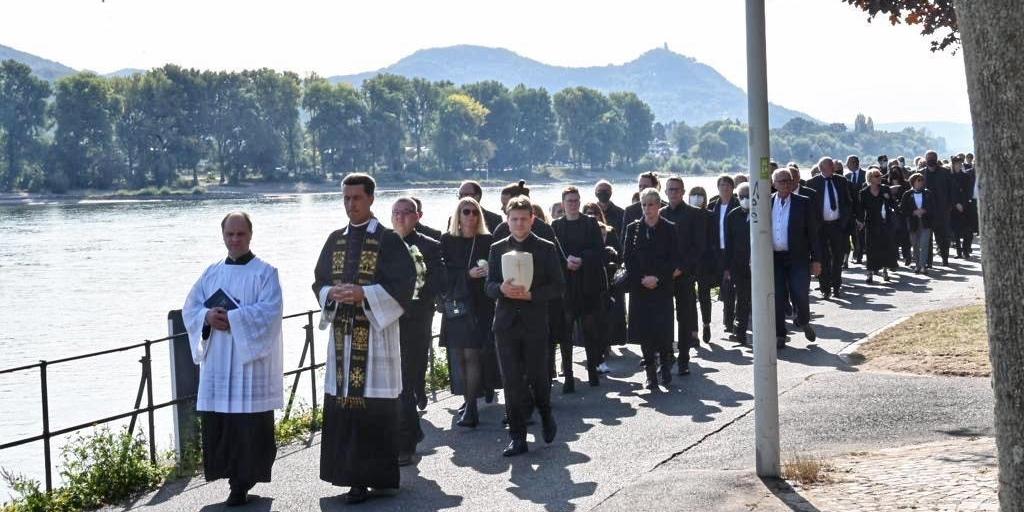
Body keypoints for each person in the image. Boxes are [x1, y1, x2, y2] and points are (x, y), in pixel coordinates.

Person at [312, 173, 416, 504]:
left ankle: (378, 477)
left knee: (374, 410)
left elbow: (404, 285)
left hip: (375, 338)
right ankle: (350, 476)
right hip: (343, 338)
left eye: (356, 198)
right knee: (345, 407)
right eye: (345, 198)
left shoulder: (388, 240)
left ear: (371, 199)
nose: (350, 204)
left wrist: (363, 294)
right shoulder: (334, 240)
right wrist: (333, 293)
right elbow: (319, 282)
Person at [182, 212, 284, 507]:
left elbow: (271, 313)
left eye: (240, 234)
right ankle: (231, 478)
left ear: (250, 235)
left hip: (248, 364)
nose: (235, 240)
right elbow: (190, 308)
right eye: (230, 234)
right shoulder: (211, 272)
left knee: (249, 426)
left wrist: (234, 318)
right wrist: (207, 316)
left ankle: (243, 482)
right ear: (222, 235)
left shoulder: (266, 272)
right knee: (223, 425)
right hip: (218, 362)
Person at [486, 195, 565, 457]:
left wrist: (533, 295)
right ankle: (517, 437)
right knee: (511, 382)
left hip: (534, 322)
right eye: (514, 219)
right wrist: (501, 289)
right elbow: (489, 285)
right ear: (507, 220)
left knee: (537, 377)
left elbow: (558, 286)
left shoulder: (546, 247)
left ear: (532, 219)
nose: (519, 224)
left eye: (523, 219)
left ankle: (545, 412)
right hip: (506, 324)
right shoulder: (497, 248)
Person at [390, 197, 444, 465]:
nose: (399, 217)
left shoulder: (429, 246)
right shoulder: (383, 245)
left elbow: (439, 281)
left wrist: (418, 295)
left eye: (405, 213)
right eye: (395, 212)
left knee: (408, 379)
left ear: (417, 216)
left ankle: (406, 442)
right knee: (395, 383)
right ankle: (407, 436)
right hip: (386, 322)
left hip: (416, 320)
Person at [439, 197, 498, 428]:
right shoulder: (446, 240)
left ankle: (472, 407)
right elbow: (442, 273)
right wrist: (467, 274)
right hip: (456, 304)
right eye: (466, 211)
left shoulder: (488, 240)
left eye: (475, 212)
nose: (471, 216)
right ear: (458, 215)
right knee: (460, 357)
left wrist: (486, 270)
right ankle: (467, 400)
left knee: (473, 354)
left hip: (480, 304)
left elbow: (497, 268)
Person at [552, 187, 609, 387]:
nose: (573, 204)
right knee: (565, 333)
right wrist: (566, 262)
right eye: (569, 200)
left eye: (576, 200)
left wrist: (582, 259)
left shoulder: (590, 223)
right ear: (563, 203)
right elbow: (553, 255)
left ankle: (593, 371)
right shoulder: (556, 226)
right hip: (566, 286)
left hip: (588, 284)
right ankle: (568, 376)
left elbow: (599, 251)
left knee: (590, 331)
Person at [624, 188, 677, 389]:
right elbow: (627, 258)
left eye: (651, 204)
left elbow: (674, 258)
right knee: (645, 330)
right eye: (644, 204)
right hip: (641, 287)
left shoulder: (669, 228)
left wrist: (658, 278)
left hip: (662, 287)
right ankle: (649, 373)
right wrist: (642, 278)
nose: (647, 209)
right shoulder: (633, 228)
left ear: (658, 205)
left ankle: (664, 368)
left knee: (662, 329)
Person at [770, 169, 822, 348]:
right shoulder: (766, 204)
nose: (784, 184)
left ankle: (803, 320)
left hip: (797, 257)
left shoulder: (803, 203)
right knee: (777, 296)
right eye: (780, 181)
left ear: (792, 183)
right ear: (774, 183)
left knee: (800, 292)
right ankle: (780, 334)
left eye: (787, 180)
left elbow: (813, 234)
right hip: (775, 258)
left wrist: (816, 260)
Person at [660, 176, 706, 374]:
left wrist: (682, 268)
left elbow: (699, 247)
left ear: (683, 191)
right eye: (670, 189)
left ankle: (684, 359)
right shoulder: (660, 213)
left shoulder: (694, 214)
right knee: (664, 316)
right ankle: (667, 354)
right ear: (665, 192)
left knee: (685, 317)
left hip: (685, 274)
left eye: (677, 189)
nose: (673, 193)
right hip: (665, 275)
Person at [807, 157, 854, 298]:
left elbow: (847, 202)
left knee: (838, 257)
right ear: (821, 168)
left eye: (833, 166)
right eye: (829, 167)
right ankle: (825, 288)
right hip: (821, 227)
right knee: (823, 258)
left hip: (837, 225)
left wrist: (845, 221)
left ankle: (836, 286)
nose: (833, 169)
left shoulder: (841, 181)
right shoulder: (812, 183)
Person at [582, 202, 618, 374]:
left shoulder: (609, 242)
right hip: (589, 289)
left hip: (606, 290)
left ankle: (601, 355)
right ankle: (595, 359)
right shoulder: (584, 241)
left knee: (604, 326)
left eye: (594, 213)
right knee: (591, 327)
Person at [594, 180, 627, 346]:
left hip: (615, 260)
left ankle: (619, 336)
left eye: (606, 191)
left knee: (617, 305)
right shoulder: (590, 212)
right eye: (600, 191)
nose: (603, 194)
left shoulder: (621, 213)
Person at [706, 175, 740, 335]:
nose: (725, 188)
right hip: (717, 251)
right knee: (723, 286)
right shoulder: (713, 206)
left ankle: (730, 320)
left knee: (731, 286)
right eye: (722, 185)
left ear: (733, 188)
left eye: (728, 185)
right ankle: (728, 319)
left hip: (732, 251)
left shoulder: (738, 205)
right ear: (718, 188)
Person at [857, 170, 899, 283]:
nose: (879, 178)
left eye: (880, 176)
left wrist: (889, 198)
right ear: (870, 178)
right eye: (876, 176)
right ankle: (870, 273)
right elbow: (861, 209)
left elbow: (893, 204)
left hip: (885, 223)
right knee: (871, 249)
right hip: (871, 224)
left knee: (885, 247)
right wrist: (860, 222)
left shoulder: (885, 189)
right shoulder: (864, 192)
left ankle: (885, 271)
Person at [723, 184, 752, 345]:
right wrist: (727, 268)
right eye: (742, 197)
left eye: (748, 195)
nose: (745, 199)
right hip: (738, 264)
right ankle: (740, 332)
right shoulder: (733, 216)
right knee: (742, 298)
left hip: (760, 264)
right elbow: (729, 243)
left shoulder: (763, 212)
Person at [922, 150, 957, 267]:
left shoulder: (945, 172)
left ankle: (945, 258)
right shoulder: (921, 174)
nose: (931, 160)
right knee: (927, 238)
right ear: (925, 160)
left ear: (936, 159)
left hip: (943, 210)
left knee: (943, 237)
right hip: (926, 211)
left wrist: (950, 205)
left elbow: (952, 190)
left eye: (933, 158)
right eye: (929, 158)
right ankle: (929, 262)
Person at [691, 186, 717, 343]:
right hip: (688, 262)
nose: (696, 198)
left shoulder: (710, 216)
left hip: (705, 261)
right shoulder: (687, 214)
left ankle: (706, 323)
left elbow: (714, 239)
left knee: (704, 295)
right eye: (693, 194)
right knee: (689, 297)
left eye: (700, 195)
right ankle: (693, 331)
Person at [620, 172, 664, 246]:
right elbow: (624, 241)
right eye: (640, 186)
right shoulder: (630, 211)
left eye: (645, 187)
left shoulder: (664, 208)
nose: (642, 189)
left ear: (655, 187)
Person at [901, 173, 933, 275]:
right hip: (913, 222)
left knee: (924, 244)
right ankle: (917, 264)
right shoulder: (907, 194)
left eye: (921, 180)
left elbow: (934, 207)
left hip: (925, 222)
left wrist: (925, 210)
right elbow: (903, 209)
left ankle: (923, 265)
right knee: (915, 244)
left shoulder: (928, 193)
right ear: (913, 182)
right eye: (918, 180)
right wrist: (913, 212)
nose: (920, 182)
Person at [888, 165, 914, 266]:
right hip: (891, 215)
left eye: (897, 172)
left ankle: (907, 256)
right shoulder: (886, 184)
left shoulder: (906, 184)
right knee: (893, 238)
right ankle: (894, 259)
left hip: (903, 214)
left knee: (905, 237)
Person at [950, 155, 976, 258]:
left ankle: (965, 250)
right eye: (956, 164)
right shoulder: (949, 177)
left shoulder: (966, 176)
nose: (958, 166)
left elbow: (969, 191)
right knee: (955, 231)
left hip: (965, 206)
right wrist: (956, 203)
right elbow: (949, 192)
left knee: (967, 231)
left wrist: (963, 204)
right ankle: (959, 252)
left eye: (960, 164)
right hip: (954, 207)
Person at [845, 155, 868, 265]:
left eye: (848, 162)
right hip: (850, 209)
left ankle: (858, 256)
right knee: (852, 233)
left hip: (862, 208)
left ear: (855, 163)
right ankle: (854, 255)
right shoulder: (847, 176)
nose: (847, 164)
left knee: (859, 234)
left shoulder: (865, 175)